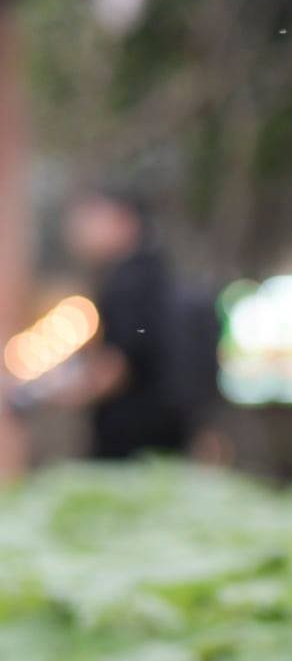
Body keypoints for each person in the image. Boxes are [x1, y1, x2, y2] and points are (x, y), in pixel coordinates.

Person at [59, 185, 218, 460]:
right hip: (172, 429)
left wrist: (59, 393)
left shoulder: (127, 282)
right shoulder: (158, 270)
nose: (79, 231)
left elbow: (118, 364)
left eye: (92, 217)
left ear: (123, 220)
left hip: (132, 435)